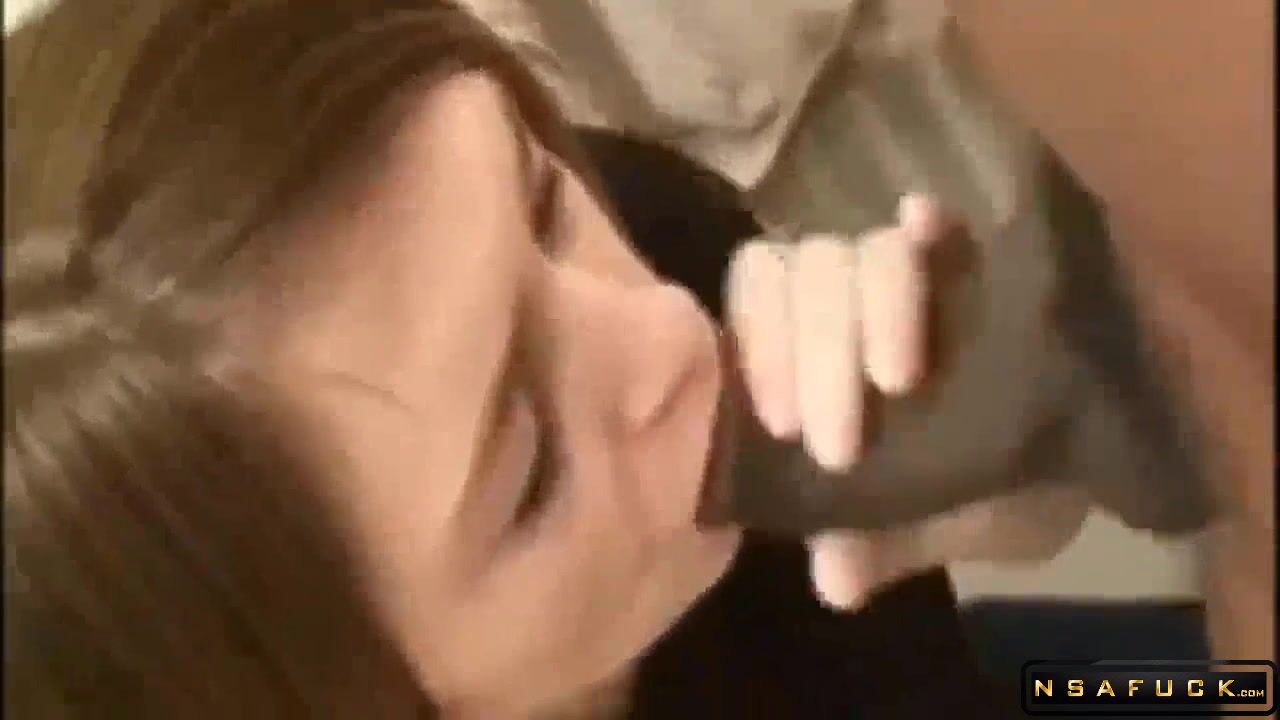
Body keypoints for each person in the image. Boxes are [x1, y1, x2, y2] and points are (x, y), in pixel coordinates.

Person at [5, 0, 1015, 716]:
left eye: (541, 205)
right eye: (534, 475)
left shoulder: (655, 229)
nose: (673, 330)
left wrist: (1042, 404)